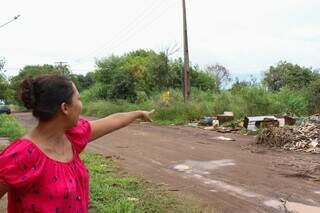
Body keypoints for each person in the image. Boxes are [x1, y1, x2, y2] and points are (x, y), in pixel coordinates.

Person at [0, 74, 153, 212]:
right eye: (78, 99)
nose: (81, 104)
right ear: (65, 108)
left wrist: (138, 113)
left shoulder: (72, 136)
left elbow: (113, 120)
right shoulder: (20, 155)